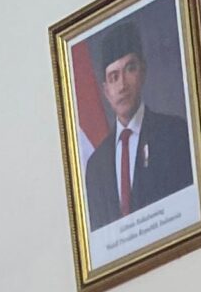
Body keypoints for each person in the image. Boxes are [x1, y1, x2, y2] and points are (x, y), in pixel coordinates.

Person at [82, 18, 194, 231]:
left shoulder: (175, 135)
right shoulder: (96, 167)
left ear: (143, 71)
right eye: (113, 77)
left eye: (129, 69)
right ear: (106, 91)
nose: (122, 85)